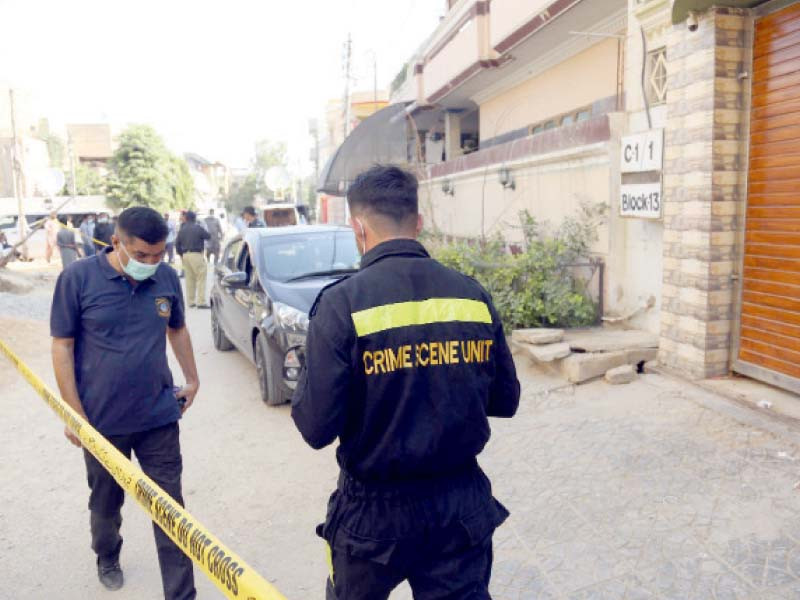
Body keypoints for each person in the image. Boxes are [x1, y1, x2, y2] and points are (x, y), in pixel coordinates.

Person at [291, 165, 520, 600]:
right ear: (418, 223)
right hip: (459, 506)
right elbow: (505, 400)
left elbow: (315, 427)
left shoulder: (341, 306)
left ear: (358, 228)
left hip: (371, 517)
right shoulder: (471, 296)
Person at [50, 206, 199, 599]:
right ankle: (107, 554)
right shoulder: (77, 279)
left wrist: (193, 378)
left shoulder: (166, 278)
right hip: (101, 423)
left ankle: (181, 595)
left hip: (159, 417)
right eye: (142, 256)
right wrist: (73, 414)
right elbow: (62, 347)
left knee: (171, 512)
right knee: (105, 503)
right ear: (116, 242)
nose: (152, 263)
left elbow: (178, 329)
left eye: (159, 255)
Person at [175, 211, 210, 308]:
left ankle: (191, 302)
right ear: (195, 218)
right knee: (201, 277)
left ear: (185, 218)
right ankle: (201, 302)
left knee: (189, 279)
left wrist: (181, 255)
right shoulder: (197, 228)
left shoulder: (182, 230)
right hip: (196, 254)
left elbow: (177, 244)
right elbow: (208, 236)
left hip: (185, 255)